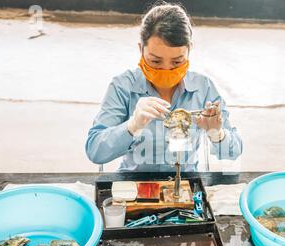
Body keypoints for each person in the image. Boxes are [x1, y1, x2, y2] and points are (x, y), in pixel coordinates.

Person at [85, 2, 242, 171]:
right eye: (155, 61)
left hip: (185, 184)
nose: (166, 70)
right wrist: (132, 125)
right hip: (133, 185)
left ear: (189, 50)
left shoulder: (203, 88)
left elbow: (234, 151)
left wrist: (216, 134)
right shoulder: (123, 86)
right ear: (141, 50)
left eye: (177, 62)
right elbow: (95, 151)